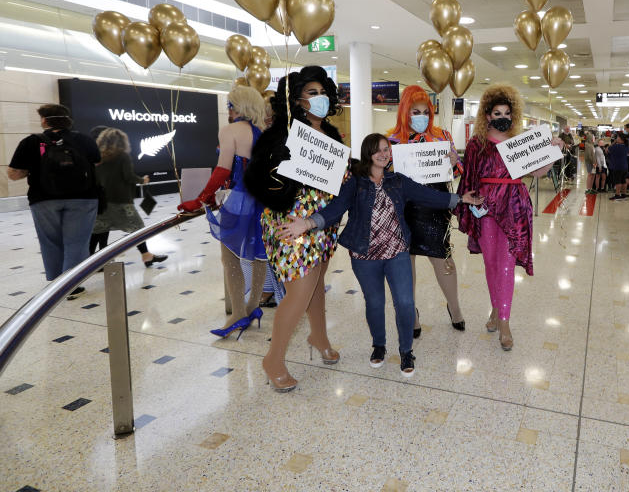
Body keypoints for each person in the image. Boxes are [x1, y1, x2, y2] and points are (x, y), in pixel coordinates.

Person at [280, 134, 483, 378]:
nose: (384, 154)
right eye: (378, 150)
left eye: (386, 149)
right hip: (365, 256)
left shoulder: (398, 181)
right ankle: (379, 345)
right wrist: (308, 223)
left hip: (397, 252)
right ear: (368, 153)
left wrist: (461, 198)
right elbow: (336, 209)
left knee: (405, 303)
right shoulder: (356, 183)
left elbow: (429, 196)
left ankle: (407, 350)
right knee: (374, 303)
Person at [244, 66, 343, 392]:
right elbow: (256, 179)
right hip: (290, 223)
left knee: (316, 285)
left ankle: (319, 335)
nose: (320, 99)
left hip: (323, 222)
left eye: (323, 92)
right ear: (297, 99)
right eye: (312, 93)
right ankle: (273, 358)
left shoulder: (331, 133)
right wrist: (282, 169)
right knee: (299, 292)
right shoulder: (281, 133)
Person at [455, 84, 563, 350]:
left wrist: (552, 152)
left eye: (506, 113)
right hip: (487, 210)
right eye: (496, 113)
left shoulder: (519, 144)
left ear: (512, 116)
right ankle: (496, 309)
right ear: (487, 115)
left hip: (514, 209)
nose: (501, 117)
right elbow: (467, 176)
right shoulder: (476, 144)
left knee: (505, 265)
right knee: (492, 264)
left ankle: (504, 321)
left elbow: (538, 172)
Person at [178, 86, 268, 339]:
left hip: (239, 201)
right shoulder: (262, 133)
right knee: (259, 256)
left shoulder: (229, 131)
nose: (228, 109)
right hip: (263, 202)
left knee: (230, 259)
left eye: (229, 104)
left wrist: (200, 199)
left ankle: (238, 313)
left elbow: (222, 170)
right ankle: (253, 308)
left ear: (237, 106)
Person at [386, 85, 466, 335]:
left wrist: (455, 162)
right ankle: (411, 313)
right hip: (404, 207)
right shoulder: (392, 139)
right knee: (404, 263)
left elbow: (455, 172)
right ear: (404, 112)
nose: (420, 116)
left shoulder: (442, 136)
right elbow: (382, 176)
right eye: (414, 112)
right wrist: (386, 164)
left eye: (424, 111)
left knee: (443, 258)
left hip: (433, 204)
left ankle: (454, 307)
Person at [8, 104, 100, 296]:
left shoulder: (31, 142)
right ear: (67, 120)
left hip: (44, 199)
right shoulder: (83, 139)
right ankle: (73, 285)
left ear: (44, 120)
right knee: (77, 241)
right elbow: (97, 162)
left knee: (50, 241)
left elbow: (14, 174)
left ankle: (57, 283)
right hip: (83, 198)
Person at [89, 128, 167, 267]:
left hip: (102, 201)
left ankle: (88, 264)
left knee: (98, 231)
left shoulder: (97, 157)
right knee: (138, 228)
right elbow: (129, 176)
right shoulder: (122, 156)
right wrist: (142, 180)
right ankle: (146, 256)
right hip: (121, 200)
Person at [606, 132, 629, 200]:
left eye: (617, 137)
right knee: (623, 181)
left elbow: (607, 150)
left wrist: (614, 142)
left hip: (616, 166)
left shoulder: (615, 146)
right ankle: (624, 194)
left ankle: (617, 194)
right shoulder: (626, 146)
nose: (616, 138)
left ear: (620, 139)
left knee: (617, 181)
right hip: (625, 166)